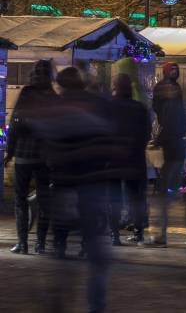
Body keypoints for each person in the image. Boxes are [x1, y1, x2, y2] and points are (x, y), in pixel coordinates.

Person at [45, 67, 120, 313]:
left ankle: (59, 301)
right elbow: (111, 143)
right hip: (94, 186)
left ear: (61, 86)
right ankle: (96, 305)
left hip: (65, 186)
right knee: (98, 253)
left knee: (62, 251)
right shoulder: (98, 105)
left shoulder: (58, 109)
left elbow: (50, 151)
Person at [4, 60, 56, 255]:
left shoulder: (27, 93)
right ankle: (41, 243)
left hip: (24, 156)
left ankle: (22, 242)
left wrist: (10, 151)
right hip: (45, 158)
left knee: (20, 199)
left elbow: (15, 122)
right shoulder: (53, 97)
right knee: (44, 200)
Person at [149, 62, 186, 247]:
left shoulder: (166, 91)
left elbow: (168, 119)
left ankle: (163, 234)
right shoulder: (172, 91)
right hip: (176, 146)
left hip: (172, 148)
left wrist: (160, 139)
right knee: (180, 193)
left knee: (166, 194)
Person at [109, 73, 151, 246]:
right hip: (135, 158)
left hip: (113, 159)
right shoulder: (139, 108)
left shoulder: (109, 107)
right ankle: (139, 231)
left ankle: (114, 235)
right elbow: (147, 133)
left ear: (115, 87)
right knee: (136, 198)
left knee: (114, 198)